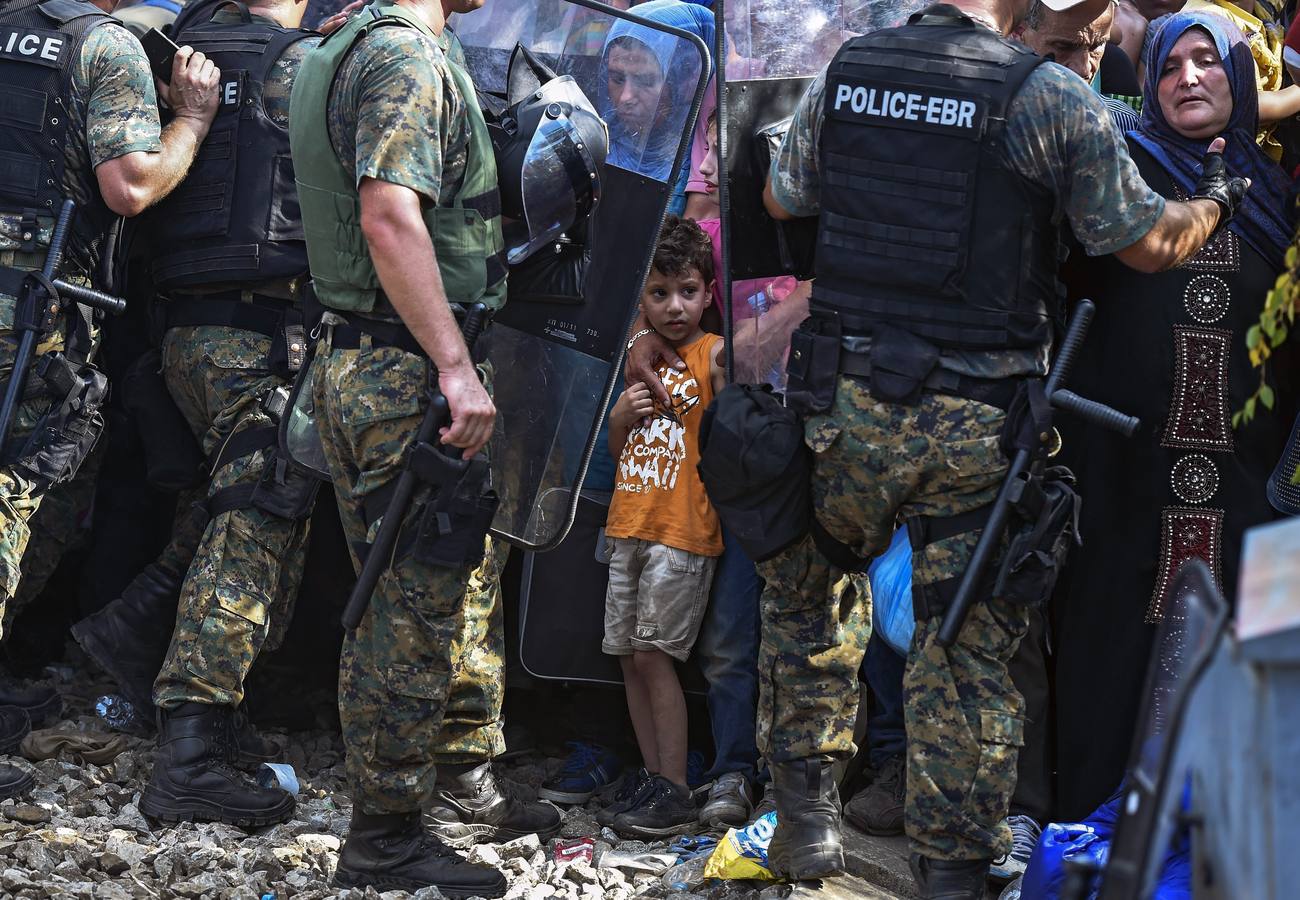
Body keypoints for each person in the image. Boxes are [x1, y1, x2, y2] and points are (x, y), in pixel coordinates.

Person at [760, 0, 1243, 895]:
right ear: (1017, 11)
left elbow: (783, 196)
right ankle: (952, 873)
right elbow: (1147, 242)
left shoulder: (851, 70)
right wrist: (1214, 201)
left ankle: (804, 819)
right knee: (964, 647)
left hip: (847, 399)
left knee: (813, 601)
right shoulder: (1045, 95)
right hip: (972, 422)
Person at [1052, 9, 1299, 821]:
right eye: (1169, 67)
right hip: (1121, 469)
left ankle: (1221, 840)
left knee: (1241, 649)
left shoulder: (1284, 202)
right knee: (1111, 640)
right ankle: (1091, 828)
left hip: (1250, 484)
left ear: (1243, 74)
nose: (1188, 77)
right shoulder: (1118, 171)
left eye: (1207, 61)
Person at [289, 0, 510, 892]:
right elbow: (388, 216)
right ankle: (385, 838)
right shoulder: (404, 58)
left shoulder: (337, 43)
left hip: (362, 359)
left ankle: (423, 798)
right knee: (405, 614)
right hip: (403, 372)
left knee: (398, 598)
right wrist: (455, 368)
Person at [107, 0, 323, 830]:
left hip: (181, 330)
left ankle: (149, 646)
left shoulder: (171, 45)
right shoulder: (308, 64)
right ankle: (189, 748)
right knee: (260, 505)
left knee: (250, 499)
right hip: (259, 328)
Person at [0, 0, 220, 797]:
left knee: (57, 495)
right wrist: (190, 121)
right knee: (12, 499)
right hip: (31, 313)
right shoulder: (104, 47)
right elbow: (130, 184)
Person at [601, 215, 726, 838]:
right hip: (628, 521)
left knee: (656, 655)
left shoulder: (714, 355)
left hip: (682, 530)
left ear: (709, 293)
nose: (674, 307)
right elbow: (623, 447)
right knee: (628, 657)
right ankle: (654, 779)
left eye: (688, 291)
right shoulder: (636, 359)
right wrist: (621, 414)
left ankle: (674, 786)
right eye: (658, 293)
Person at [600, 0, 711, 211]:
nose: (626, 97)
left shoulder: (705, 157)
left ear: (681, 80)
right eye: (617, 78)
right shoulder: (599, 139)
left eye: (645, 81)